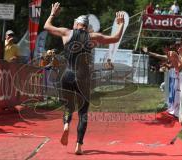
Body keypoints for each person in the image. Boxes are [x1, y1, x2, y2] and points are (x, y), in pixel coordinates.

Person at [44, 2, 125, 155]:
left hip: (67, 75)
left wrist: (53, 13)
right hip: (83, 78)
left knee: (68, 106)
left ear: (76, 24)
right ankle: (79, 146)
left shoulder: (66, 33)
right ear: (86, 26)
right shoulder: (92, 37)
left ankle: (66, 125)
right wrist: (120, 24)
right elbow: (115, 38)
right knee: (83, 112)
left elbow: (47, 26)